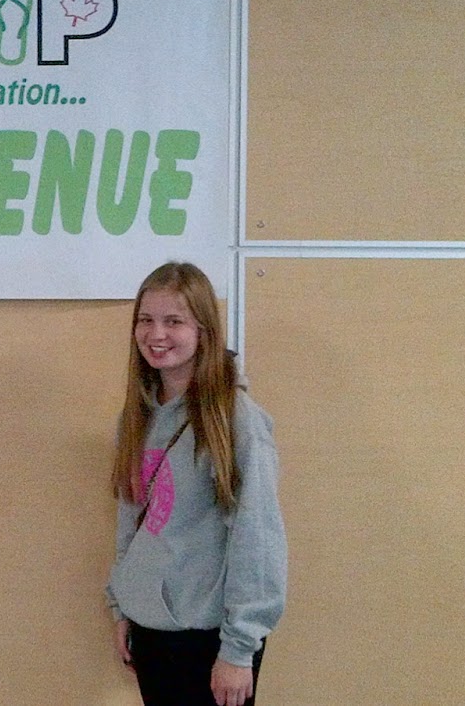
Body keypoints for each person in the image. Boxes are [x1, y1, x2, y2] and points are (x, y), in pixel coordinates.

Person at [106, 262, 286, 706]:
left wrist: (238, 650)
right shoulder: (136, 417)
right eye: (146, 320)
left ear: (203, 331)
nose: (156, 334)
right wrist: (122, 605)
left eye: (174, 321)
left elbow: (257, 538)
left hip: (210, 640)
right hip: (150, 632)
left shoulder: (235, 420)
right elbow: (131, 520)